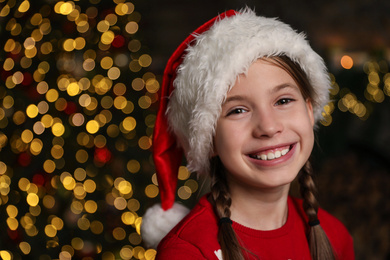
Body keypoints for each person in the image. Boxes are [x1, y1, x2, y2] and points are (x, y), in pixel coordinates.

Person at [141, 8, 355, 260]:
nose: (268, 126)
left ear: (309, 110)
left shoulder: (335, 236)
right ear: (209, 139)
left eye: (283, 100)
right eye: (238, 110)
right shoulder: (187, 251)